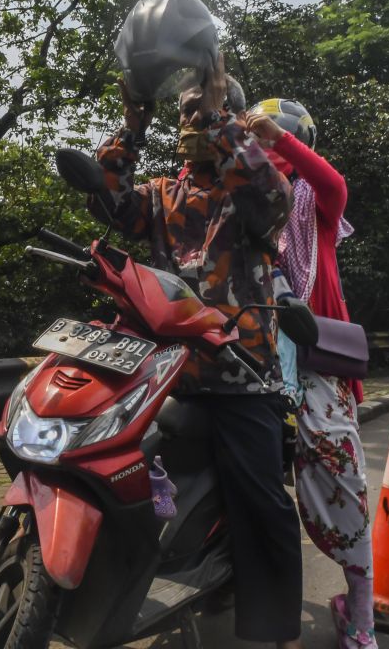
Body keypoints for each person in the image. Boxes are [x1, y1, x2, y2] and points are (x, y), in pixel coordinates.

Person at [93, 56, 303, 648]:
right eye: (185, 111)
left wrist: (219, 119)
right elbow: (107, 203)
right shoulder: (162, 193)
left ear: (226, 115)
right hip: (165, 374)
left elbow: (270, 200)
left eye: (202, 109)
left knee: (261, 500)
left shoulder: (252, 187)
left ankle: (277, 632)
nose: (191, 119)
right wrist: (133, 121)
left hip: (241, 374)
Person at [246, 100, 375, 649]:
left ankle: (360, 612)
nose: (267, 149)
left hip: (314, 359)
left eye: (275, 140)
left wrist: (281, 138)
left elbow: (333, 184)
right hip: (247, 353)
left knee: (337, 471)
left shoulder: (313, 203)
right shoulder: (240, 199)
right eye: (258, 141)